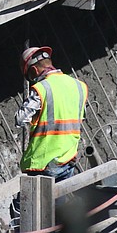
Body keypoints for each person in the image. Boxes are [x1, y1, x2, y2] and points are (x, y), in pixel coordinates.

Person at [15, 46, 88, 181]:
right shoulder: (79, 86)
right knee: (59, 201)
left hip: (45, 162)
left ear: (34, 70)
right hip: (68, 157)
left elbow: (20, 119)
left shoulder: (42, 88)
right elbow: (80, 115)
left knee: (31, 201)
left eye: (29, 76)